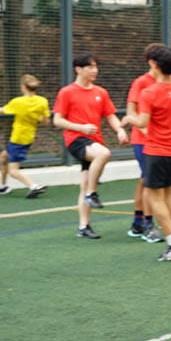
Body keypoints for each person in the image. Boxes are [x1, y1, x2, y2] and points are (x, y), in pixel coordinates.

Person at [120, 45, 171, 262]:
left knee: (154, 197)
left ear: (155, 65)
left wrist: (130, 119)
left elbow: (143, 122)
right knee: (169, 195)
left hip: (155, 150)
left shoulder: (149, 92)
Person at [53, 55, 128, 239]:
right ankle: (92, 193)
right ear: (78, 69)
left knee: (85, 183)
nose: (95, 70)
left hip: (94, 140)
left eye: (96, 67)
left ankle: (83, 226)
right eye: (90, 67)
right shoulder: (67, 92)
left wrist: (120, 130)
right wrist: (80, 127)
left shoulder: (101, 92)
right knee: (104, 154)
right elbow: (57, 120)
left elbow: (110, 115)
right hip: (76, 139)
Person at [0, 74, 49, 198]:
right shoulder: (42, 101)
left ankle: (33, 186)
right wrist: (34, 116)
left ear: (23, 87)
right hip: (28, 137)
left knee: (13, 170)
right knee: (2, 158)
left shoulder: (18, 102)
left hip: (18, 139)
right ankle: (3, 186)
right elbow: (46, 121)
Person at [125, 43, 163, 244]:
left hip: (160, 141)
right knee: (150, 181)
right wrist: (145, 129)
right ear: (152, 62)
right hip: (143, 140)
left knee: (144, 180)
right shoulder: (141, 82)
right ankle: (149, 225)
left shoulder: (168, 82)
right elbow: (131, 111)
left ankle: (137, 222)